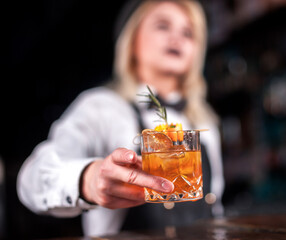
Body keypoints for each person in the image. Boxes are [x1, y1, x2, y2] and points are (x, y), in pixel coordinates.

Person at [17, 0, 224, 237]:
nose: (176, 38)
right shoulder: (102, 107)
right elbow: (30, 179)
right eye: (162, 26)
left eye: (188, 33)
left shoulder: (204, 123)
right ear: (132, 41)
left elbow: (214, 206)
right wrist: (88, 179)